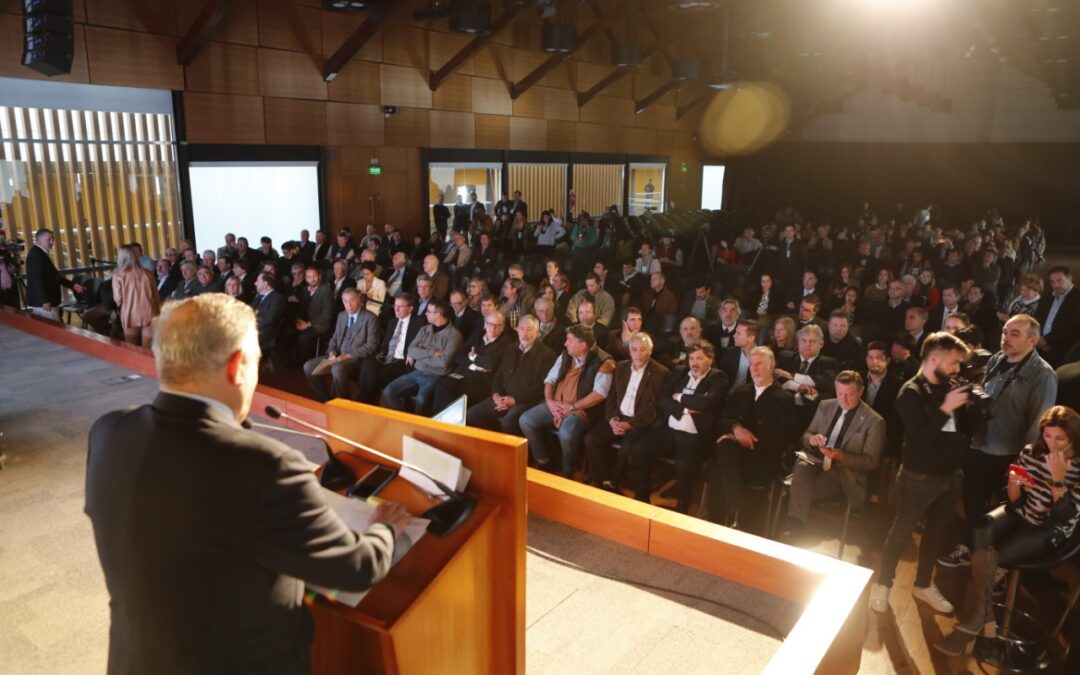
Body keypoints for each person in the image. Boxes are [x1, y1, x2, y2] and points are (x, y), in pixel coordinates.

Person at [85, 293, 410, 673]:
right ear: (237, 366)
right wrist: (384, 528)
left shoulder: (109, 432)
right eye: (256, 361)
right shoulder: (266, 466)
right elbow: (355, 570)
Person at [937, 406, 1080, 656]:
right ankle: (984, 615)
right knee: (982, 528)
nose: (1052, 443)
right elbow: (1013, 501)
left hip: (1052, 528)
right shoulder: (1031, 452)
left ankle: (971, 625)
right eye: (1047, 436)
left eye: (1060, 438)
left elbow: (1067, 515)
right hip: (1023, 513)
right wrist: (1014, 487)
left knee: (995, 555)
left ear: (1073, 438)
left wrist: (1058, 479)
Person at [938, 314, 1059, 568]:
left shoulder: (1043, 375)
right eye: (1005, 332)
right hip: (979, 444)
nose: (1006, 338)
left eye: (1015, 334)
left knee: (1002, 513)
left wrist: (1021, 465)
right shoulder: (995, 359)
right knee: (972, 502)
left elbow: (1039, 424)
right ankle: (966, 547)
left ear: (1032, 340)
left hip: (1009, 454)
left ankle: (993, 566)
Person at [869, 332, 978, 615]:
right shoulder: (910, 392)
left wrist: (968, 407)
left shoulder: (949, 386)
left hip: (952, 476)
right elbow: (921, 437)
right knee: (901, 531)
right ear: (933, 359)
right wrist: (946, 408)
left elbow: (966, 429)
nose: (958, 369)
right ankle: (882, 585)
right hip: (918, 477)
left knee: (936, 532)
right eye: (954, 362)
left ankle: (923, 584)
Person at [780, 371, 885, 540]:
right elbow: (806, 435)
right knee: (801, 466)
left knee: (801, 487)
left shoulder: (874, 421)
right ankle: (797, 524)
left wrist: (841, 456)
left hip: (843, 472)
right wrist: (812, 440)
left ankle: (796, 507)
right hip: (817, 459)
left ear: (861, 391)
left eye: (849, 395)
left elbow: (871, 462)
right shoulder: (826, 405)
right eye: (839, 393)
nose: (843, 400)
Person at [632, 339, 728, 512]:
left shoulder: (718, 377)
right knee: (640, 448)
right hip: (669, 430)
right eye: (691, 359)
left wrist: (679, 397)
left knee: (684, 465)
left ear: (710, 360)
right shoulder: (679, 371)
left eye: (699, 358)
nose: (694, 363)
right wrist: (684, 410)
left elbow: (707, 403)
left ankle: (682, 506)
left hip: (695, 435)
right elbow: (661, 399)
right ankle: (641, 497)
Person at [705, 347, 796, 528]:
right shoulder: (741, 392)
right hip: (734, 455)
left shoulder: (784, 398)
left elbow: (781, 438)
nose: (754, 369)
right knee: (723, 453)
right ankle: (733, 514)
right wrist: (736, 428)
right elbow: (722, 419)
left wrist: (740, 437)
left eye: (759, 364)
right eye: (751, 364)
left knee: (718, 466)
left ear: (772, 366)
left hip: (761, 456)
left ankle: (718, 521)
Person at [518, 325, 615, 477]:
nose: (565, 343)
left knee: (566, 434)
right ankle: (544, 460)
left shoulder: (604, 362)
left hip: (581, 410)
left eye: (569, 340)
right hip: (556, 404)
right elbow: (549, 380)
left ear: (582, 345)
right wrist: (550, 402)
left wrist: (572, 407)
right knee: (526, 420)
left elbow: (599, 394)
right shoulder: (565, 355)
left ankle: (567, 469)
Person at [583, 333, 670, 491]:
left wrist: (630, 424)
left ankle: (613, 483)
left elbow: (653, 408)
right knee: (591, 439)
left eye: (643, 349)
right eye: (634, 349)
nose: (638, 353)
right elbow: (611, 397)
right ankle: (605, 480)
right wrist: (612, 419)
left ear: (650, 351)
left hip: (639, 420)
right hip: (618, 416)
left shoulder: (660, 373)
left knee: (627, 449)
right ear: (629, 351)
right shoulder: (621, 367)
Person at [467, 315, 557, 434]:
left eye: (529, 329)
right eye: (522, 329)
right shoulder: (511, 349)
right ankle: (493, 445)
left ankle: (513, 451)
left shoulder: (547, 355)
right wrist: (496, 394)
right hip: (503, 397)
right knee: (472, 413)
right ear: (517, 330)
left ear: (537, 332)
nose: (525, 333)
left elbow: (541, 387)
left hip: (526, 401)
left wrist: (515, 399)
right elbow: (499, 376)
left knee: (508, 422)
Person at [382, 300, 462, 415]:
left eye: (429, 312)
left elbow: (443, 362)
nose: (425, 313)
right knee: (388, 392)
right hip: (418, 371)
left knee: (421, 401)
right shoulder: (424, 329)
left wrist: (420, 354)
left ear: (438, 315)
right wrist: (432, 352)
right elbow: (410, 350)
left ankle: (419, 428)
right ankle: (406, 422)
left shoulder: (454, 335)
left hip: (436, 376)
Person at [302, 288, 380, 402]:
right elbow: (334, 338)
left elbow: (371, 346)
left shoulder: (370, 318)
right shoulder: (342, 315)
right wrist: (332, 353)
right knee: (308, 367)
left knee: (337, 369)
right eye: (345, 301)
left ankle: (343, 404)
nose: (349, 305)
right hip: (337, 356)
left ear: (359, 300)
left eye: (352, 300)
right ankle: (326, 400)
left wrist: (346, 356)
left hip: (356, 359)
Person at [432, 309, 511, 413]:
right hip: (463, 374)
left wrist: (473, 356)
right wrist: (474, 365)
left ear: (503, 327)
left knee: (460, 394)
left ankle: (451, 425)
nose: (493, 328)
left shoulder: (506, 342)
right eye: (490, 324)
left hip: (480, 381)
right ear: (485, 324)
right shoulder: (477, 335)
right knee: (442, 384)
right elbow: (459, 356)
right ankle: (438, 422)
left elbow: (491, 363)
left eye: (497, 325)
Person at [358, 293, 422, 403]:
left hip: (402, 361)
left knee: (376, 376)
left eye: (400, 307)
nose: (396, 309)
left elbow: (422, 343)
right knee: (367, 363)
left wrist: (412, 352)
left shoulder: (419, 323)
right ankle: (365, 403)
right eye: (395, 306)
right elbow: (385, 344)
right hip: (387, 356)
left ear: (410, 308)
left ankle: (365, 403)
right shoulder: (392, 321)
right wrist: (382, 355)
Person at [25, 228, 84, 320]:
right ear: (39, 240)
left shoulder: (40, 253)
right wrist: (44, 300)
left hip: (47, 301)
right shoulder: (36, 255)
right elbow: (36, 279)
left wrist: (72, 285)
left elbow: (54, 276)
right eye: (49, 239)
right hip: (45, 304)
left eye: (53, 239)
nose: (52, 241)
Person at [111, 245, 160, 347]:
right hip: (150, 313)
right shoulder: (148, 273)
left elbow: (118, 299)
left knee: (132, 348)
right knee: (147, 350)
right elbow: (156, 296)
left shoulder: (118, 275)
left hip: (130, 315)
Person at [1035, 266, 1080, 367]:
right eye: (1052, 282)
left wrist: (1047, 340)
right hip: (1040, 345)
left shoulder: (1077, 297)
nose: (1056, 285)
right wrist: (1038, 337)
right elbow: (1037, 317)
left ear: (1070, 279)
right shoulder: (1048, 296)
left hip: (1064, 350)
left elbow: (1073, 326)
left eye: (1059, 280)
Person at [251, 272, 286, 356]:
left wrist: (250, 324)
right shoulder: (258, 297)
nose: (255, 283)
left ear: (265, 284)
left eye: (257, 281)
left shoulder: (277, 299)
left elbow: (270, 318)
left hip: (266, 333)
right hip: (254, 329)